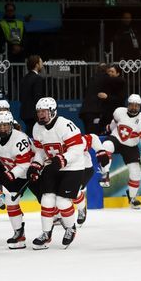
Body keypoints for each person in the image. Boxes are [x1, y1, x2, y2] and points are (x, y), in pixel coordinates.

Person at [28, 97, 86, 250]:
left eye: (44, 112)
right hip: (53, 166)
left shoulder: (65, 125)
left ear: (53, 112)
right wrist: (35, 165)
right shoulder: (37, 128)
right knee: (47, 200)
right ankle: (46, 234)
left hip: (72, 167)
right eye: (39, 112)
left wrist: (62, 159)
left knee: (62, 201)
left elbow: (78, 148)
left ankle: (70, 228)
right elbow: (40, 151)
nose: (41, 115)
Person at [0, 111, 35, 249]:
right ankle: (19, 235)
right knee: (11, 200)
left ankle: (62, 219)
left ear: (11, 126)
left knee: (48, 198)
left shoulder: (19, 139)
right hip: (17, 172)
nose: (2, 129)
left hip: (32, 171)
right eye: (0, 126)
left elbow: (26, 164)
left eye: (5, 126)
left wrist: (9, 175)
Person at [99, 94, 141, 209]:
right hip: (116, 139)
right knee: (106, 146)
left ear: (140, 106)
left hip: (131, 146)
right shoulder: (119, 111)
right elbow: (114, 124)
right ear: (128, 104)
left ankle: (132, 198)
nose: (134, 108)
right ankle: (105, 174)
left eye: (137, 106)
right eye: (132, 105)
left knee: (136, 172)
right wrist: (108, 129)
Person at [19, 55, 44, 132]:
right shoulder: (38, 78)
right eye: (41, 62)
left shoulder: (24, 78)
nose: (42, 64)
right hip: (34, 114)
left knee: (30, 133)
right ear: (37, 65)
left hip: (25, 113)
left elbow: (21, 97)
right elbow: (38, 98)